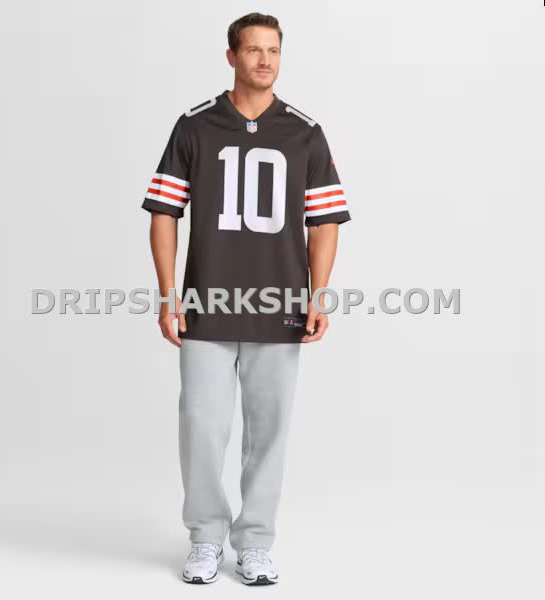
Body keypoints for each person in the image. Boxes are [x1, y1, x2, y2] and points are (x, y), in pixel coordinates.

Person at [142, 12, 351, 585]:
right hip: (206, 305)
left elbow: (324, 222)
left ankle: (255, 542)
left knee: (269, 430)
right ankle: (206, 538)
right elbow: (164, 214)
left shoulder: (304, 132)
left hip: (279, 306)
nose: (264, 60)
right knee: (201, 427)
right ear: (231, 56)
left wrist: (318, 295)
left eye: (273, 50)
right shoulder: (195, 126)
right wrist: (168, 295)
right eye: (254, 49)